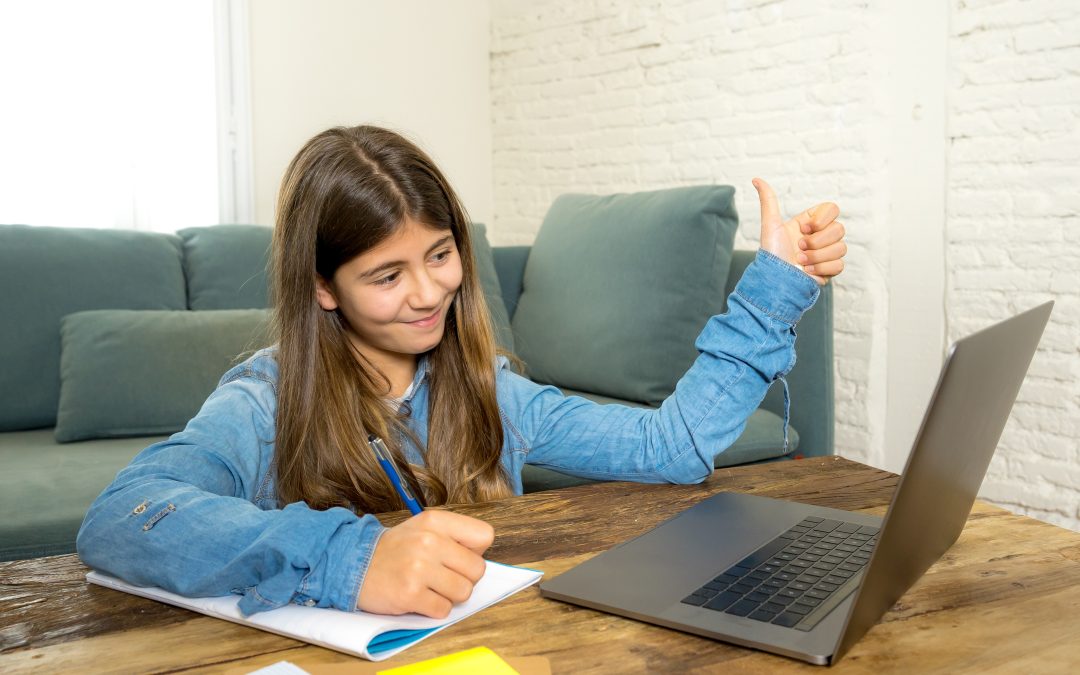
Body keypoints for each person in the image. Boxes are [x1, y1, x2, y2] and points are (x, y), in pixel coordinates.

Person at [77, 125, 847, 620]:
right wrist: (353, 558)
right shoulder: (263, 399)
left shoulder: (490, 390)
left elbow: (671, 447)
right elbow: (123, 515)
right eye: (386, 275)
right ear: (322, 287)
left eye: (440, 254)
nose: (428, 292)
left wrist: (773, 288)